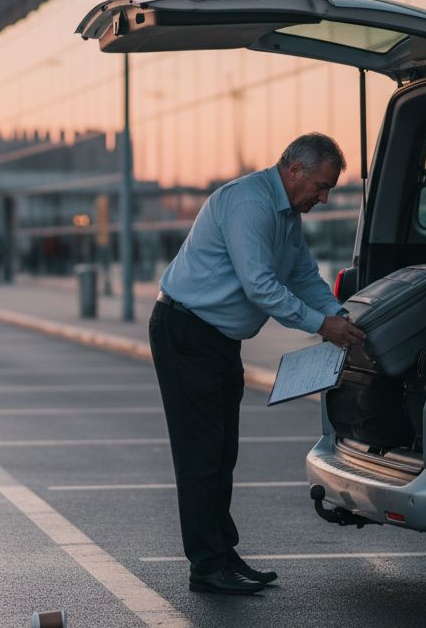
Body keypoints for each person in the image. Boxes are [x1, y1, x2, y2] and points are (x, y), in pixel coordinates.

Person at [149, 132, 366, 596]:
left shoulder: (286, 215)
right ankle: (207, 565)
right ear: (295, 170)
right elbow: (261, 286)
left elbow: (303, 276)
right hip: (187, 331)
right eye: (322, 186)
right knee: (200, 456)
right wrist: (322, 326)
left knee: (222, 454)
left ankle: (222, 554)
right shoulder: (250, 204)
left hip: (217, 339)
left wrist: (339, 317)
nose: (324, 199)